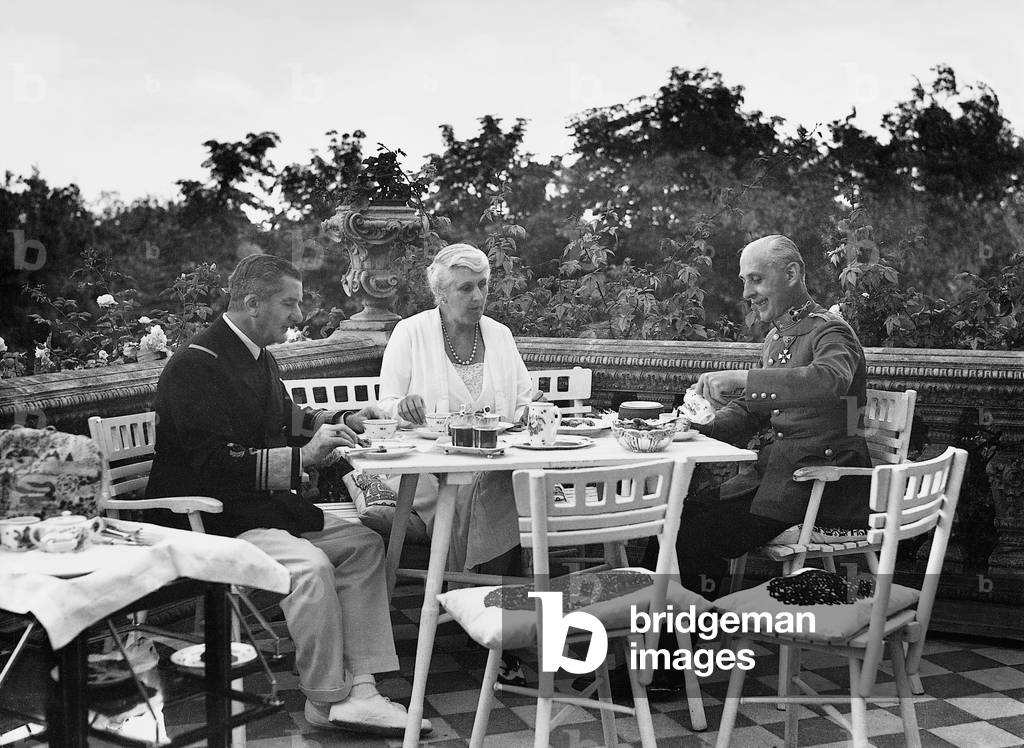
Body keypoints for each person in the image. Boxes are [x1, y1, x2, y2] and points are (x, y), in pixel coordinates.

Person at [146, 254, 431, 738]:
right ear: (252, 303)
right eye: (289, 303)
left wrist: (345, 423)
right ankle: (327, 699)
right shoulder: (196, 366)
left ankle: (361, 691)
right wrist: (303, 460)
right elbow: (213, 465)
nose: (298, 316)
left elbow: (288, 419)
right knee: (310, 566)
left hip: (257, 512)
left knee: (363, 545)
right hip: (210, 521)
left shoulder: (258, 356)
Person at [376, 242, 534, 684]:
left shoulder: (500, 335)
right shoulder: (411, 332)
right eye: (466, 288)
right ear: (440, 294)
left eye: (483, 285)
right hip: (424, 474)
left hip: (494, 463)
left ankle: (489, 623)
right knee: (495, 495)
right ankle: (503, 636)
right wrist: (401, 406)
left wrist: (527, 414)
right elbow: (386, 401)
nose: (478, 297)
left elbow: (523, 402)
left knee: (497, 488)